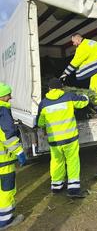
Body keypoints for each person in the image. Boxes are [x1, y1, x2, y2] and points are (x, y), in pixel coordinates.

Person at [37, 78, 89, 198]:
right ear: (61, 87)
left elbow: (40, 123)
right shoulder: (69, 96)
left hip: (55, 141)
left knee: (56, 162)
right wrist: (86, 96)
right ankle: (73, 188)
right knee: (72, 161)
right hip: (70, 138)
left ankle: (56, 186)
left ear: (49, 89)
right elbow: (83, 103)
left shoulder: (43, 103)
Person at [60, 33, 97, 115]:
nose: (73, 44)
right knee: (94, 88)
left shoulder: (83, 47)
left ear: (78, 39)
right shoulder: (91, 42)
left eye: (73, 42)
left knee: (95, 90)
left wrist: (65, 73)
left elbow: (76, 61)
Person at [0, 82, 26, 230]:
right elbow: (7, 136)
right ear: (2, 96)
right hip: (3, 162)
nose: (10, 97)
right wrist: (19, 152)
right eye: (8, 94)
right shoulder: (3, 112)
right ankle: (6, 221)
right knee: (7, 189)